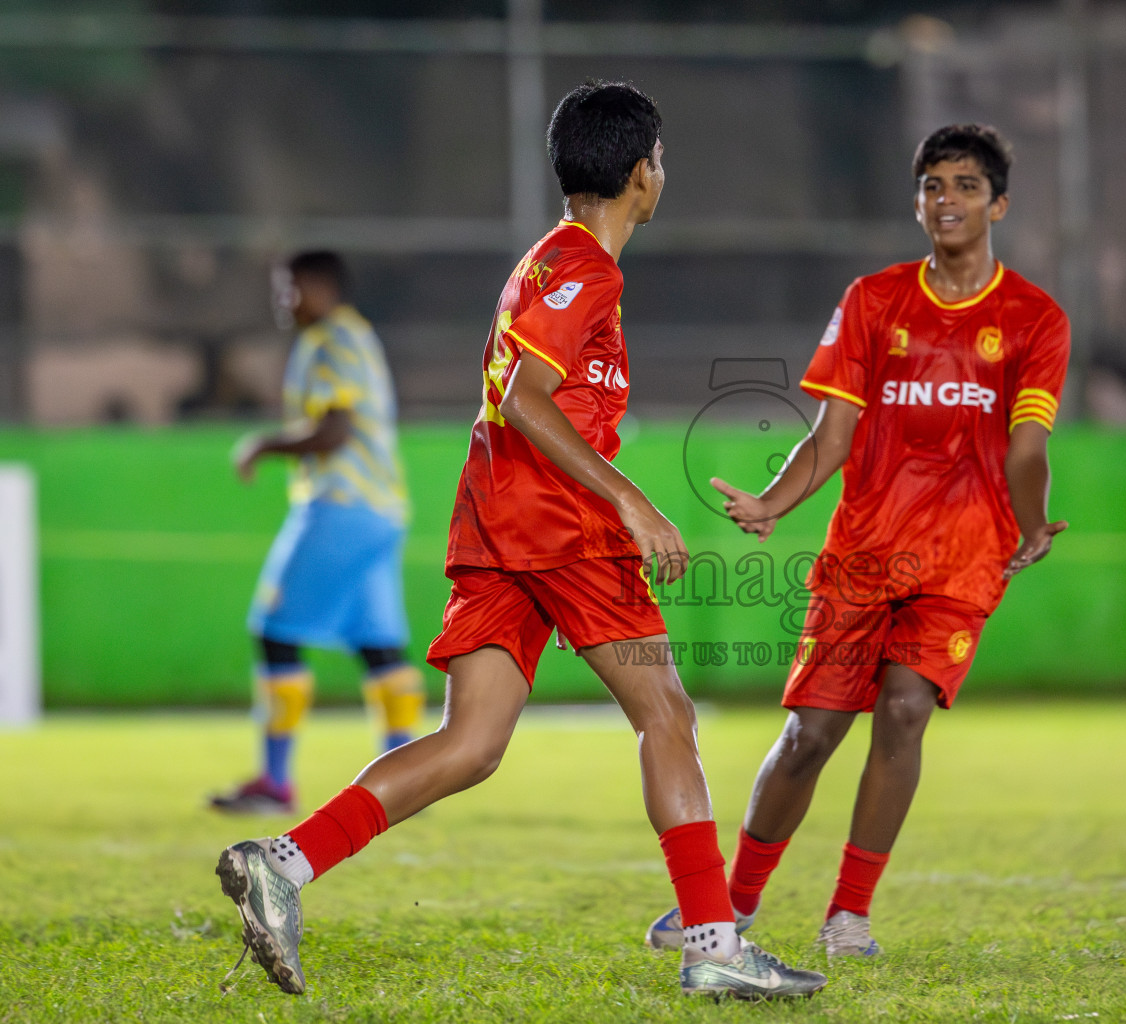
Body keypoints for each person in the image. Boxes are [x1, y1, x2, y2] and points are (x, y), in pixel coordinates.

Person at [213, 81, 827, 1001]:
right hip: (561, 527)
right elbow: (523, 399)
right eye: (660, 161)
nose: (663, 176)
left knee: (471, 743)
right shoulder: (587, 269)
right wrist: (631, 502)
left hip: (499, 522)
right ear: (637, 173)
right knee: (666, 715)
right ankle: (713, 943)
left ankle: (284, 863)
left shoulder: (544, 262)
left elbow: (518, 397)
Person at [645, 123, 1070, 959]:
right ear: (916, 203)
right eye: (932, 186)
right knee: (809, 735)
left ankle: (849, 915)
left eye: (964, 186)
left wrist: (1028, 520)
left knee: (906, 712)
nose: (945, 200)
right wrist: (773, 502)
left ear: (999, 204)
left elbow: (1027, 445)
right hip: (864, 553)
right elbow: (830, 438)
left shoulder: (1033, 319)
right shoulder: (874, 301)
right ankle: (732, 903)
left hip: (963, 557)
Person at [210, 251, 423, 816]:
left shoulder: (333, 341)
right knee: (380, 648)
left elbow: (335, 430)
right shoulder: (355, 337)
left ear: (320, 286)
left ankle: (276, 783)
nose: (284, 300)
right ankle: (406, 779)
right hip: (382, 509)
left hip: (340, 505)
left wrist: (264, 444)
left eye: (290, 288)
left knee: (275, 629)